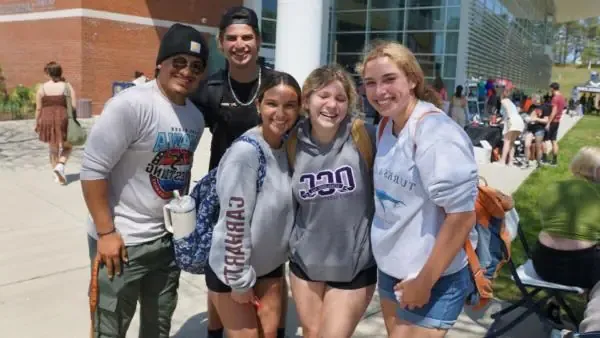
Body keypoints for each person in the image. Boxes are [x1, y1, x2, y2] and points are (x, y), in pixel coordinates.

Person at [80, 23, 209, 337]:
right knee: (110, 328)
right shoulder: (131, 105)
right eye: (178, 62)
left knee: (158, 327)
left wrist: (182, 229)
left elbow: (181, 173)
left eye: (196, 66)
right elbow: (93, 170)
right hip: (123, 241)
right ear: (159, 65)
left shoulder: (194, 116)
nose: (186, 71)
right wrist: (106, 232)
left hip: (166, 242)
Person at [358, 41, 478, 337]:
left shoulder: (436, 136)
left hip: (434, 278)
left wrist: (424, 281)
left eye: (389, 79)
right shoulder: (387, 125)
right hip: (391, 269)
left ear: (412, 79)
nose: (379, 91)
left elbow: (462, 217)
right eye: (370, 83)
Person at [188, 6, 283, 338]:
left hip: (270, 196)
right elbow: (179, 126)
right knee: (221, 277)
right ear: (220, 43)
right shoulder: (209, 89)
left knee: (270, 276)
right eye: (232, 38)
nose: (240, 44)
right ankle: (216, 331)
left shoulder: (274, 83)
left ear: (258, 41)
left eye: (247, 37)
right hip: (224, 197)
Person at [207, 71, 301, 338]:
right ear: (259, 105)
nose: (280, 113)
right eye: (272, 104)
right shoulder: (246, 154)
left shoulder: (285, 147)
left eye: (289, 105)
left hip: (268, 266)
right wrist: (239, 282)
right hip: (233, 270)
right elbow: (234, 222)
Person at [286, 65, 377, 338]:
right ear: (306, 101)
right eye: (323, 95)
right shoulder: (291, 144)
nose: (331, 105)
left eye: (340, 98)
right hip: (306, 264)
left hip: (354, 267)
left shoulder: (364, 137)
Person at [531, 146, 600, 335]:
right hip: (580, 270)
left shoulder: (553, 188)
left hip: (542, 264)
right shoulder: (596, 195)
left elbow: (547, 222)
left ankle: (555, 302)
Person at [35, 61, 77, 185]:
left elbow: (38, 109)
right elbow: (73, 106)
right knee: (67, 146)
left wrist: (36, 122)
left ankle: (56, 175)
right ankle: (61, 165)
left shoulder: (42, 88)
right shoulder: (67, 86)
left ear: (47, 73)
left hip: (46, 119)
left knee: (53, 148)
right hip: (63, 118)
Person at [523, 94, 550, 169]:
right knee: (527, 145)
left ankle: (538, 163)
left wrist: (536, 119)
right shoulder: (532, 106)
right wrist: (527, 118)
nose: (533, 100)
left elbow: (546, 120)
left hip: (539, 129)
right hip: (530, 128)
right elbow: (529, 116)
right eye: (533, 98)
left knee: (538, 146)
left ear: (539, 99)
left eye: (534, 98)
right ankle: (526, 162)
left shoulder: (545, 108)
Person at [499, 89, 524, 167]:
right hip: (519, 121)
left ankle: (502, 161)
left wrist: (504, 120)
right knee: (512, 142)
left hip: (511, 121)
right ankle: (510, 162)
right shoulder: (511, 103)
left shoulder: (503, 101)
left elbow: (504, 113)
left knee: (507, 141)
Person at [545, 82, 566, 166]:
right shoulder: (562, 97)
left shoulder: (555, 98)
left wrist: (548, 123)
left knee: (545, 140)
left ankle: (544, 158)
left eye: (550, 89)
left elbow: (554, 111)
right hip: (557, 121)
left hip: (553, 121)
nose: (550, 90)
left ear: (552, 88)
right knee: (554, 140)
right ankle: (554, 161)